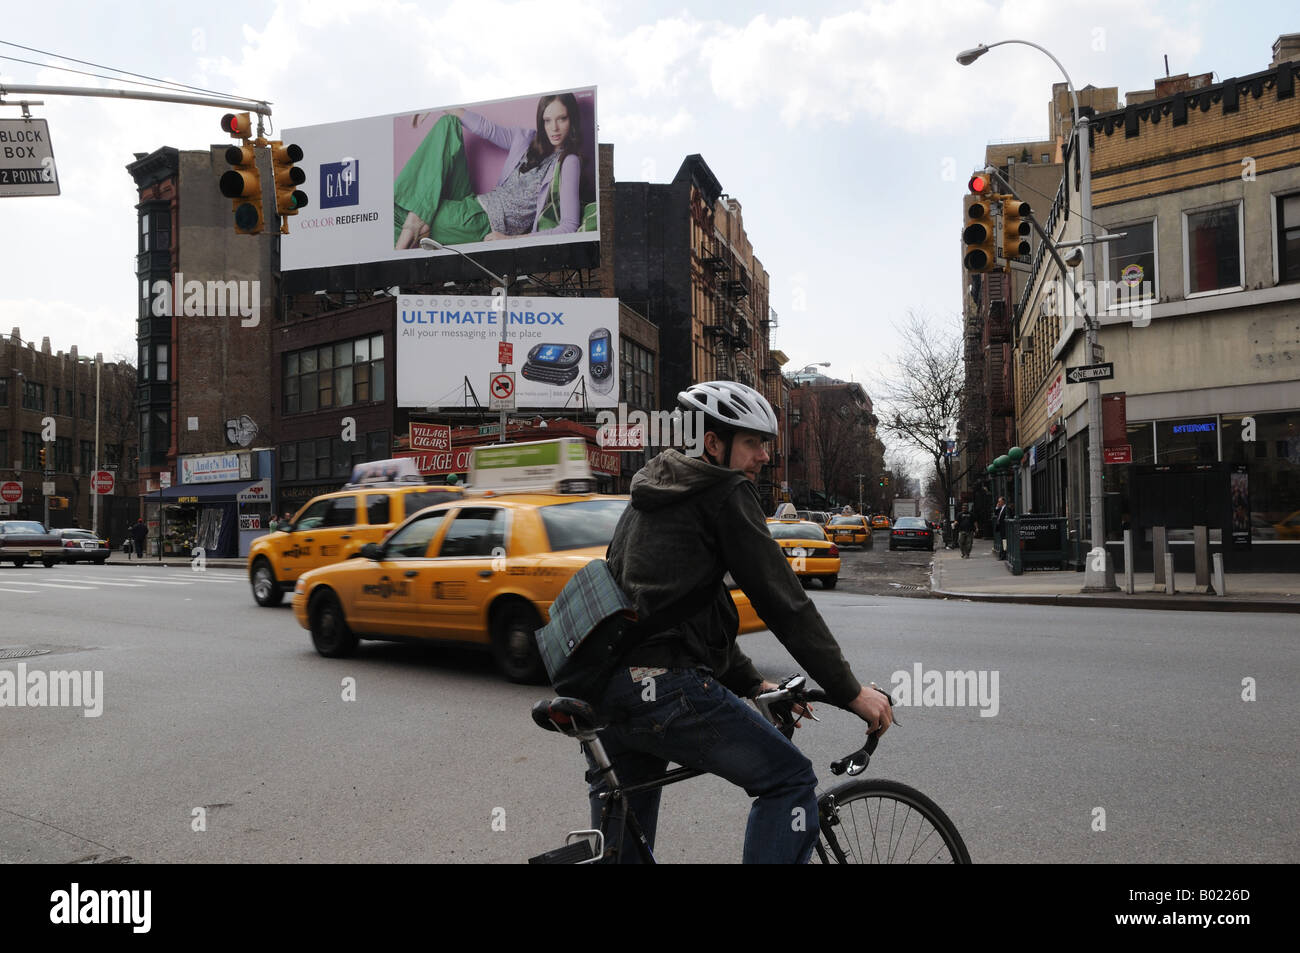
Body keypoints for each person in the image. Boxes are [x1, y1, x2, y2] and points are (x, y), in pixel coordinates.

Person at [589, 380, 893, 864]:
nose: (765, 456)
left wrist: (751, 683)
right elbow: (784, 602)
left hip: (607, 691)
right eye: (752, 442)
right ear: (713, 443)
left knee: (624, 846)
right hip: (664, 688)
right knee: (789, 779)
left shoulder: (651, 494)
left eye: (766, 444)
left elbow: (679, 610)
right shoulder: (723, 491)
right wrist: (850, 691)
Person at [394, 93, 585, 250]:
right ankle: (416, 222)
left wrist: (510, 240)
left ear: (572, 119)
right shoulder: (526, 138)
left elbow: (569, 227)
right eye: (547, 120)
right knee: (448, 123)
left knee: (397, 212)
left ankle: (412, 226)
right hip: (474, 202)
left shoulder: (569, 161)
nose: (554, 128)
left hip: (486, 224)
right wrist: (439, 104)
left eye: (562, 119)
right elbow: (487, 129)